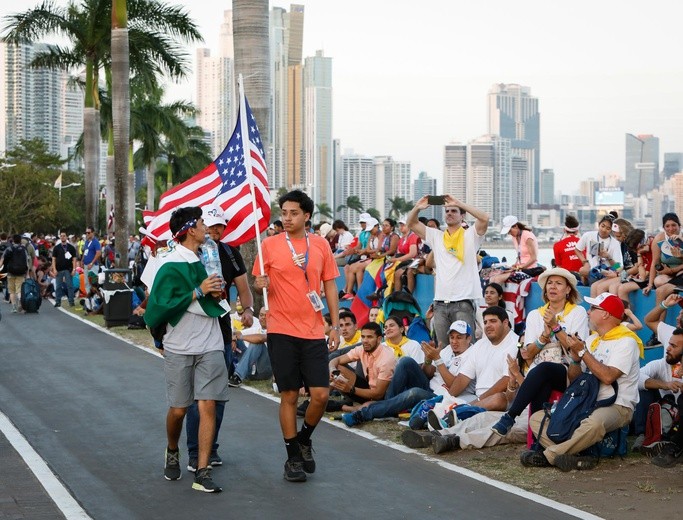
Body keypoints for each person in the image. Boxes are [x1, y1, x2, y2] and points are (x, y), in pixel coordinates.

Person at [253, 189, 341, 483]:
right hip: (280, 328)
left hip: (314, 329)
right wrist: (259, 283)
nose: (287, 218)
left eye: (293, 213)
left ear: (306, 216)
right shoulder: (268, 244)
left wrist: (336, 325)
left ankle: (305, 438)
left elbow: (329, 286)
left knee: (320, 395)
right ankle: (292, 458)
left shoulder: (320, 246)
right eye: (284, 213)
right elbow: (258, 285)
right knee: (289, 394)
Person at [144, 206, 229, 493]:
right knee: (179, 409)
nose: (208, 227)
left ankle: (202, 471)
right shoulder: (169, 262)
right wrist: (198, 291)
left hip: (211, 342)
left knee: (208, 404)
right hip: (179, 344)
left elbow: (214, 294)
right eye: (203, 223)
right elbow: (157, 307)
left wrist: (217, 290)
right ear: (191, 229)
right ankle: (172, 448)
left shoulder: (210, 259)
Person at [520, 293, 641, 471]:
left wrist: (583, 352)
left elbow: (608, 377)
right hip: (585, 402)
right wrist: (576, 360)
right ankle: (577, 454)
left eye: (593, 308)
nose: (588, 311)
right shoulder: (592, 340)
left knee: (593, 423)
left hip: (617, 405)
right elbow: (575, 380)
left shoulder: (626, 341)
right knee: (537, 419)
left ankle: (550, 455)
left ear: (606, 314)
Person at [184, 205, 254, 474]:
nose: (214, 231)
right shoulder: (187, 253)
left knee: (217, 394)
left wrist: (247, 309)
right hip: (191, 330)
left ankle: (210, 447)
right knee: (195, 397)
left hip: (222, 331)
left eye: (219, 227)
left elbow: (244, 288)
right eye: (210, 226)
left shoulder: (228, 252)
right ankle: (193, 451)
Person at [341, 320, 473, 428]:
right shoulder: (447, 350)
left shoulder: (471, 355)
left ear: (469, 339)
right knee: (405, 362)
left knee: (414, 392)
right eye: (452, 337)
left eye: (459, 338)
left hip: (441, 396)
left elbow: (454, 390)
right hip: (429, 386)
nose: (454, 341)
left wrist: (437, 359)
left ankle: (365, 413)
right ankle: (387, 406)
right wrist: (428, 358)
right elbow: (427, 374)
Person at [407, 195, 488, 345]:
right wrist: (417, 207)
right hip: (440, 303)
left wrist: (459, 202)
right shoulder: (437, 236)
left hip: (463, 302)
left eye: (454, 211)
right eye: (447, 211)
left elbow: (484, 219)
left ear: (462, 216)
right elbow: (411, 223)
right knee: (443, 349)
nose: (449, 213)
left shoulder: (470, 235)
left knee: (467, 347)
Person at [632, 328, 683, 453]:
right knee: (645, 387)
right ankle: (643, 435)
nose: (667, 348)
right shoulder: (661, 364)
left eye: (673, 346)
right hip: (662, 412)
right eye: (669, 343)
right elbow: (635, 378)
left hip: (679, 418)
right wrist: (664, 384)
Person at [329, 321, 397, 406]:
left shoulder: (386, 358)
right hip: (366, 387)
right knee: (335, 367)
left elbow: (378, 394)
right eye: (363, 337)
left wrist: (351, 389)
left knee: (368, 406)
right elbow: (336, 360)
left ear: (379, 339)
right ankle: (322, 398)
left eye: (369, 337)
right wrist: (332, 369)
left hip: (381, 397)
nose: (365, 341)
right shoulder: (362, 349)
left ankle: (349, 405)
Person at [574, 213, 623, 286]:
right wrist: (585, 262)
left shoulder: (615, 243)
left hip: (606, 273)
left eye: (608, 228)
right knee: (582, 271)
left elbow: (618, 267)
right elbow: (577, 249)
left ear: (611, 230)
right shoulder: (588, 235)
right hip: (591, 270)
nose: (604, 230)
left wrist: (608, 257)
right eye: (602, 226)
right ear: (599, 224)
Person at [647, 213, 683, 309]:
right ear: (663, 228)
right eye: (667, 226)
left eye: (674, 225)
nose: (671, 229)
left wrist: (674, 270)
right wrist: (650, 284)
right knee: (658, 281)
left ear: (679, 226)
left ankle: (672, 289)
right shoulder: (659, 239)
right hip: (668, 274)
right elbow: (655, 262)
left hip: (680, 272)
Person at [228, 308, 270, 387]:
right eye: (261, 315)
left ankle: (237, 376)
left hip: (265, 369)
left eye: (266, 315)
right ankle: (230, 372)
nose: (263, 317)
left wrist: (241, 337)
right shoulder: (257, 329)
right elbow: (235, 333)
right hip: (252, 371)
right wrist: (234, 340)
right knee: (236, 342)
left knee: (257, 343)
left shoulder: (274, 330)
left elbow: (261, 338)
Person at [0, 234, 30, 313]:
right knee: (19, 289)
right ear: (20, 240)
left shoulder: (9, 249)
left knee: (11, 290)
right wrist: (27, 273)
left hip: (10, 272)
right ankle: (20, 302)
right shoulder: (24, 249)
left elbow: (2, 260)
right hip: (21, 272)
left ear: (12, 240)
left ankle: (13, 307)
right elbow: (27, 261)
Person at [392, 217, 422, 293]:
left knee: (404, 272)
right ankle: (396, 295)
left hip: (414, 260)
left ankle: (409, 295)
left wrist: (397, 259)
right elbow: (399, 253)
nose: (401, 227)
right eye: (400, 225)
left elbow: (412, 254)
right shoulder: (402, 239)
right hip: (405, 261)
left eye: (403, 225)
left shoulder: (413, 236)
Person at [51, 232, 77, 307]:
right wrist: (54, 269)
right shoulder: (57, 248)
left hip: (68, 269)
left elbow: (74, 259)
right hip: (59, 269)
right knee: (58, 286)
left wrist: (74, 269)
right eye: (61, 236)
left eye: (64, 236)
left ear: (66, 237)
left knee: (69, 285)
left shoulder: (71, 248)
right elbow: (53, 259)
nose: (62, 237)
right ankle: (58, 301)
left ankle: (71, 301)